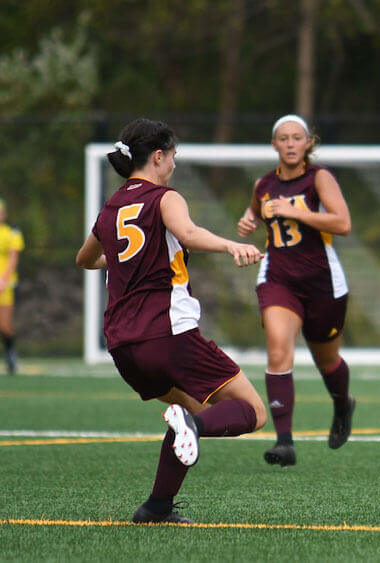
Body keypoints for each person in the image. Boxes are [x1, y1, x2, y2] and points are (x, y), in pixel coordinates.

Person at [76, 118, 268, 524]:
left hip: (123, 347)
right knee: (252, 410)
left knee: (191, 413)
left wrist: (130, 260)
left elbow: (85, 259)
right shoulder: (164, 198)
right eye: (173, 156)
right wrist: (231, 245)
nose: (175, 165)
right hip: (168, 335)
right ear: (158, 156)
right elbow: (189, 233)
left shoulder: (111, 207)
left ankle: (157, 506)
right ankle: (188, 432)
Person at [236, 114, 353, 467]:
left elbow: (343, 223)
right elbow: (257, 208)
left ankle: (342, 403)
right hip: (279, 280)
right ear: (274, 144)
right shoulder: (264, 184)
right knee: (277, 352)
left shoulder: (320, 178)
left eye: (296, 138)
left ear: (307, 144)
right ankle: (284, 441)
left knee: (326, 360)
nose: (289, 143)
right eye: (283, 138)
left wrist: (295, 212)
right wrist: (249, 220)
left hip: (321, 282)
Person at [0, 198, 23, 375]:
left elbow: (14, 258)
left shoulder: (12, 233)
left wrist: (3, 280)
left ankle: (11, 355)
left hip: (4, 286)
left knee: (5, 325)